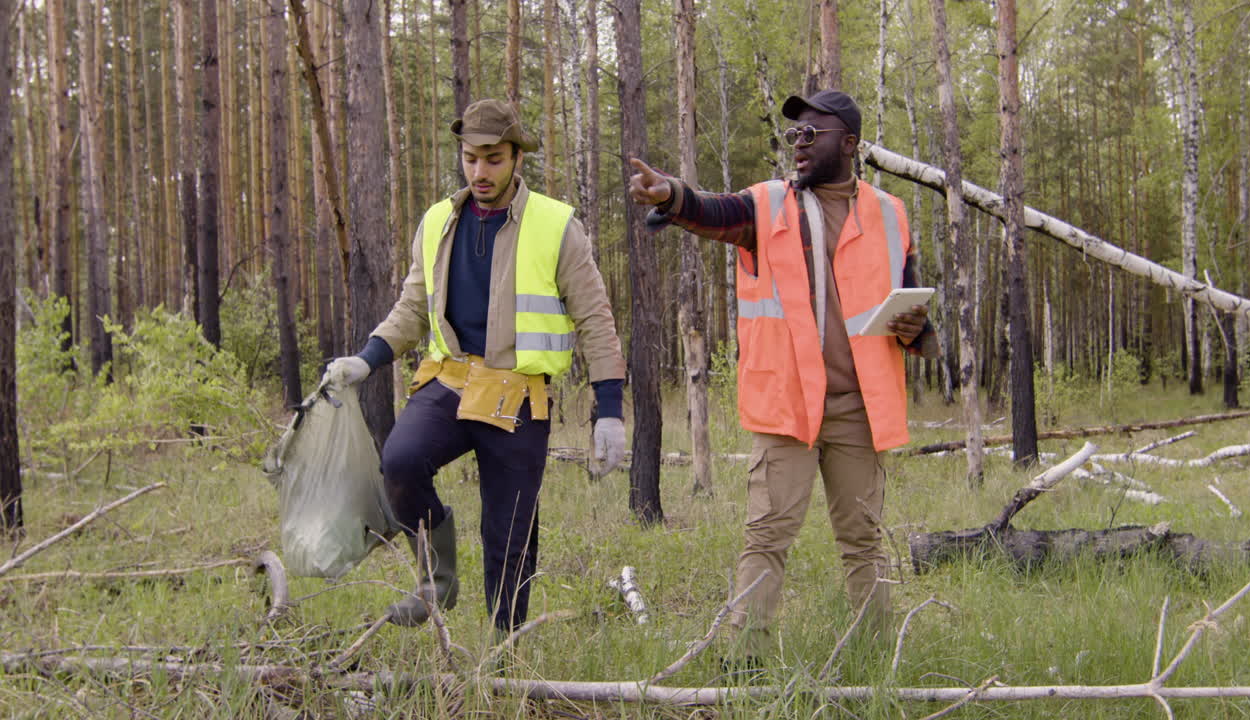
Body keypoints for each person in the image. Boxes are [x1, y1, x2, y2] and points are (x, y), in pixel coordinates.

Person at [628, 89, 938, 661]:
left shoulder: (890, 214)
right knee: (767, 536)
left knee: (865, 542)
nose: (798, 143)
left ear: (848, 143)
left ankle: (874, 663)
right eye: (793, 134)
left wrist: (915, 326)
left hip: (859, 409)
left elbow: (915, 318)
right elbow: (712, 212)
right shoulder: (768, 204)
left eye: (811, 133)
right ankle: (746, 661)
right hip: (789, 405)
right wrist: (671, 195)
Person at [322, 99, 627, 635]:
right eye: (470, 159)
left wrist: (610, 411)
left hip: (518, 395)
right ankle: (437, 578)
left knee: (509, 530)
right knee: (401, 462)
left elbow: (596, 321)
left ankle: (505, 646)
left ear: (516, 159)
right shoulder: (438, 221)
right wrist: (366, 360)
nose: (480, 172)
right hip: (451, 381)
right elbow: (412, 308)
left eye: (492, 159)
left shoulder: (557, 227)